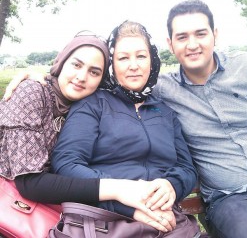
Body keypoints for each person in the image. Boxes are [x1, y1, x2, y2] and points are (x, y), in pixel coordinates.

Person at [0, 32, 169, 232]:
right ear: (61, 62)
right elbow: (29, 182)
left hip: (50, 210)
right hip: (12, 207)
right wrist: (118, 190)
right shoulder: (33, 92)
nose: (82, 77)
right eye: (76, 65)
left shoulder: (83, 105)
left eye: (94, 72)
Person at [50, 21, 200, 237]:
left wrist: (172, 185)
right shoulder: (93, 104)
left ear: (152, 60)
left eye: (141, 56)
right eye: (123, 58)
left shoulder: (164, 111)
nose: (133, 65)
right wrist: (127, 204)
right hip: (105, 220)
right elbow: (66, 164)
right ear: (112, 64)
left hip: (165, 221)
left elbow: (186, 167)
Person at [153, 0, 247, 238]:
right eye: (182, 37)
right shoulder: (163, 90)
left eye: (201, 33)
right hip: (236, 200)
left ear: (215, 35)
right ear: (170, 44)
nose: (192, 44)